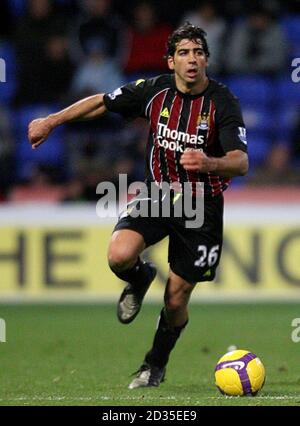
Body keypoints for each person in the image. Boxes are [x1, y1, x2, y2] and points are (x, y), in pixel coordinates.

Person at [28, 23, 248, 389]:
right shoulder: (154, 90)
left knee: (176, 299)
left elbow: (240, 162)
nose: (191, 60)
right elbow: (102, 101)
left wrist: (209, 163)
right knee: (118, 255)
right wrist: (51, 121)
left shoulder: (223, 102)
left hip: (202, 206)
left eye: (197, 52)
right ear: (171, 61)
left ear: (206, 59)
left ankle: (154, 364)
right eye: (183, 53)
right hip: (158, 194)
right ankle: (140, 276)